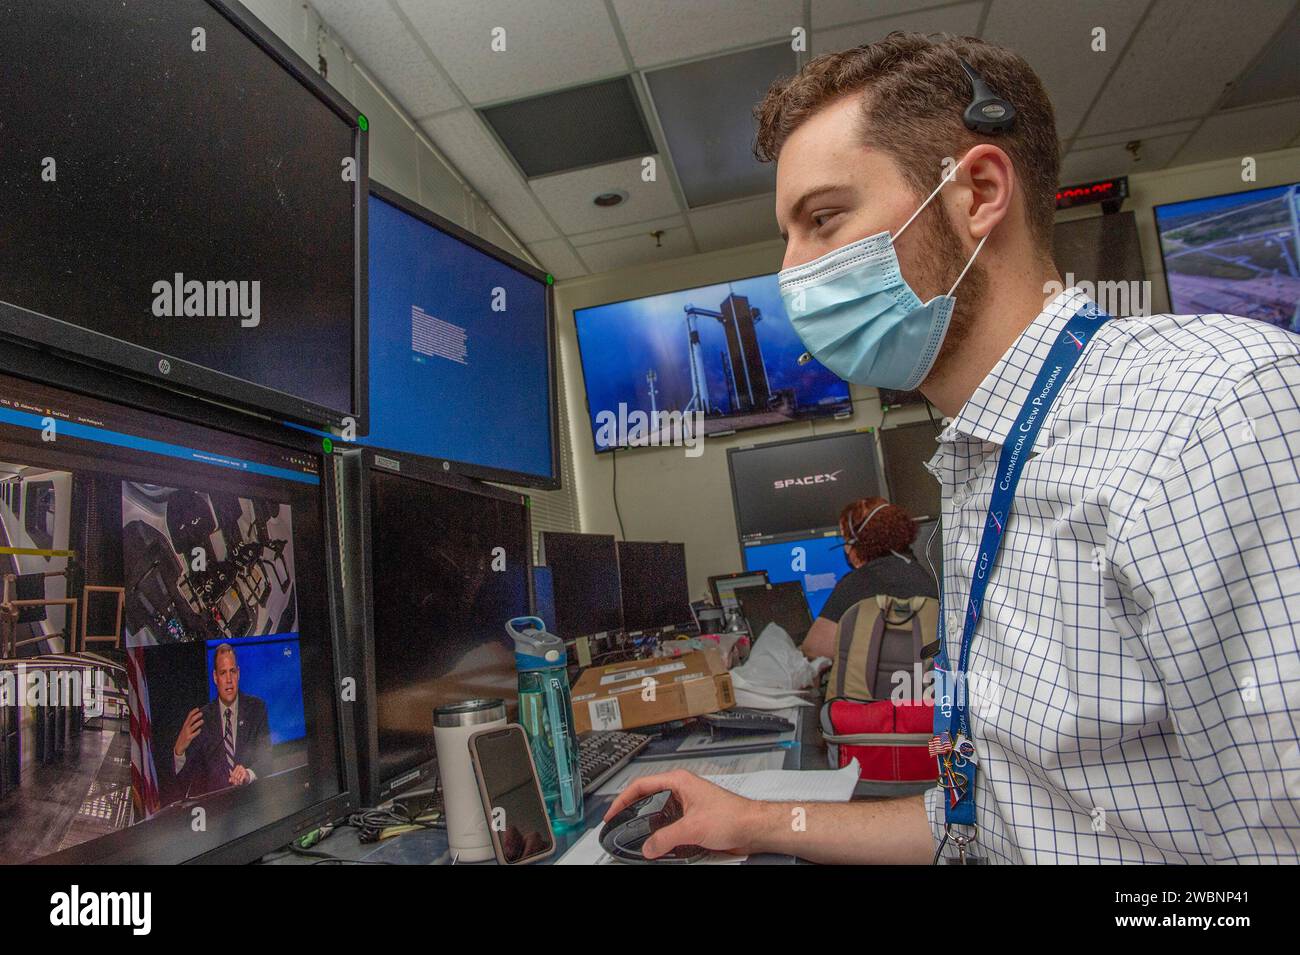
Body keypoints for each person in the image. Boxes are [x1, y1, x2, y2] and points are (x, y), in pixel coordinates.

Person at [606, 32, 1300, 864]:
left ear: (976, 191)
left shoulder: (1215, 411)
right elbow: (987, 821)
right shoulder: (979, 466)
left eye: (823, 219)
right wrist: (754, 819)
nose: (790, 273)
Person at [801, 496, 938, 660]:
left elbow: (815, 648)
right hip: (925, 680)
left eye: (846, 540)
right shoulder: (921, 574)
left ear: (859, 541)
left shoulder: (860, 581)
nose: (846, 549)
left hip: (873, 683)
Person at [173, 643, 271, 798]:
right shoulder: (202, 719)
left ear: (238, 673)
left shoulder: (257, 709)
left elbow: (267, 760)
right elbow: (187, 780)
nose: (229, 679)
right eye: (223, 673)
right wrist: (179, 751)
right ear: (215, 677)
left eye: (232, 671)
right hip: (216, 812)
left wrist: (248, 774)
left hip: (250, 806)